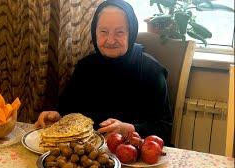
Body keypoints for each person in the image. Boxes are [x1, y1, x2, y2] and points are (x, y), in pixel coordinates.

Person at [34, 0, 173, 145]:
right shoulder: (85, 67)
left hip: (131, 155)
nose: (110, 40)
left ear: (131, 33)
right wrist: (57, 116)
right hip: (87, 154)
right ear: (95, 32)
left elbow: (164, 128)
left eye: (119, 32)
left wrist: (129, 129)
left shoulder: (152, 72)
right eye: (103, 32)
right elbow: (67, 109)